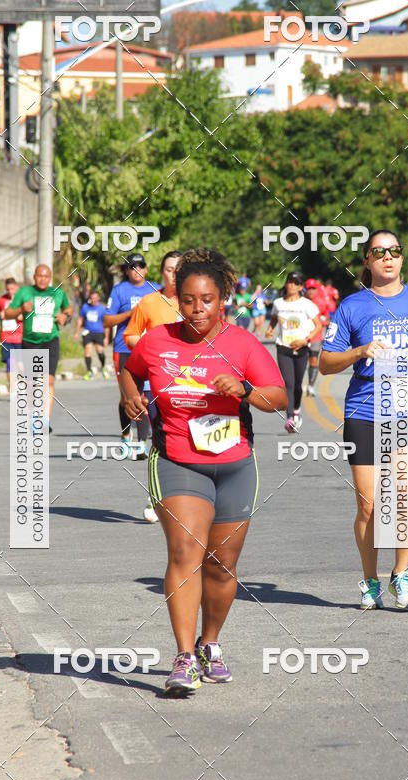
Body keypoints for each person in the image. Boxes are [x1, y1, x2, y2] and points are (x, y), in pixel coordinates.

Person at [120, 248, 287, 696]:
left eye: (207, 300)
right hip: (177, 460)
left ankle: (209, 643)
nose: (198, 309)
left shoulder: (242, 344)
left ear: (222, 301)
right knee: (185, 554)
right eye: (189, 299)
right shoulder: (157, 341)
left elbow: (278, 398)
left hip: (234, 465)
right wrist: (130, 396)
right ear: (178, 298)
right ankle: (183, 657)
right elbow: (129, 368)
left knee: (221, 566)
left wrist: (246, 389)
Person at [320, 229, 408, 611]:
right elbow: (326, 363)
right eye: (379, 252)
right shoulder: (352, 306)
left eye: (394, 251)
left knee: (405, 495)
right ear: (367, 261)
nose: (388, 257)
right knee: (370, 507)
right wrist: (359, 351)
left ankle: (402, 574)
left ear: (402, 258)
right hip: (364, 409)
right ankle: (370, 581)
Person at [124, 249, 183, 522]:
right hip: (156, 383)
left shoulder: (196, 303)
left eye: (179, 269)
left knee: (188, 440)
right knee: (159, 440)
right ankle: (155, 496)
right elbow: (131, 335)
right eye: (169, 269)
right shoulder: (149, 302)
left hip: (193, 384)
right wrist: (152, 347)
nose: (173, 274)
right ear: (162, 272)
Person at [2, 264, 71, 432]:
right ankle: (35, 416)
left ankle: (45, 419)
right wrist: (21, 309)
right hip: (30, 341)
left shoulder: (58, 293)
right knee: (32, 382)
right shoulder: (25, 293)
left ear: (50, 278)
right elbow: (8, 314)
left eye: (46, 276)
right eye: (40, 276)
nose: (43, 279)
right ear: (34, 277)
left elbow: (68, 309)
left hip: (51, 340)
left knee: (48, 381)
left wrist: (65, 317)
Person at [103, 253, 160, 455]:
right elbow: (107, 321)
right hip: (124, 349)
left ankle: (142, 443)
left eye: (140, 266)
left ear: (145, 269)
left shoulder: (155, 290)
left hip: (149, 349)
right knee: (127, 396)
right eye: (132, 266)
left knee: (144, 394)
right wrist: (130, 314)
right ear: (126, 271)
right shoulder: (120, 290)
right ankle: (126, 435)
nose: (137, 269)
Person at [266, 271, 321, 432]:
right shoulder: (278, 303)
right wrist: (270, 329)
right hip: (283, 347)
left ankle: (297, 409)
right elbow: (275, 317)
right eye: (289, 282)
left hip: (302, 347)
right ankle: (289, 417)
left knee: (298, 385)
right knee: (288, 383)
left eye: (295, 283)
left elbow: (318, 326)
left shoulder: (307, 305)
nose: (291, 285)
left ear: (300, 287)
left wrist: (306, 340)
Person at [74, 289, 109, 380]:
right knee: (87, 351)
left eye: (95, 298)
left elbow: (106, 324)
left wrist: (106, 337)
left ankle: (103, 367)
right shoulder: (85, 307)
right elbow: (80, 320)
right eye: (92, 298)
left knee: (100, 351)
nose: (94, 300)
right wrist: (76, 332)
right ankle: (89, 371)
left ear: (98, 299)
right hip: (88, 332)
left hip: (99, 332)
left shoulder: (102, 309)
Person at [0, 277, 22, 388]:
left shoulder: (21, 299)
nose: (10, 291)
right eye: (8, 289)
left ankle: (23, 387)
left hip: (20, 336)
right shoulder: (2, 300)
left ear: (16, 287)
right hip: (6, 336)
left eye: (12, 288)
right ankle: (13, 388)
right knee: (10, 363)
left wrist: (22, 316)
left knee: (21, 364)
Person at [304, 278, 329, 396]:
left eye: (313, 289)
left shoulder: (321, 302)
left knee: (313, 360)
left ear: (317, 290)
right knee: (301, 361)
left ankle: (311, 386)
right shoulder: (300, 301)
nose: (311, 291)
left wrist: (324, 321)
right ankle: (298, 383)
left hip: (316, 336)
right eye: (309, 289)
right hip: (301, 336)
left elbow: (326, 316)